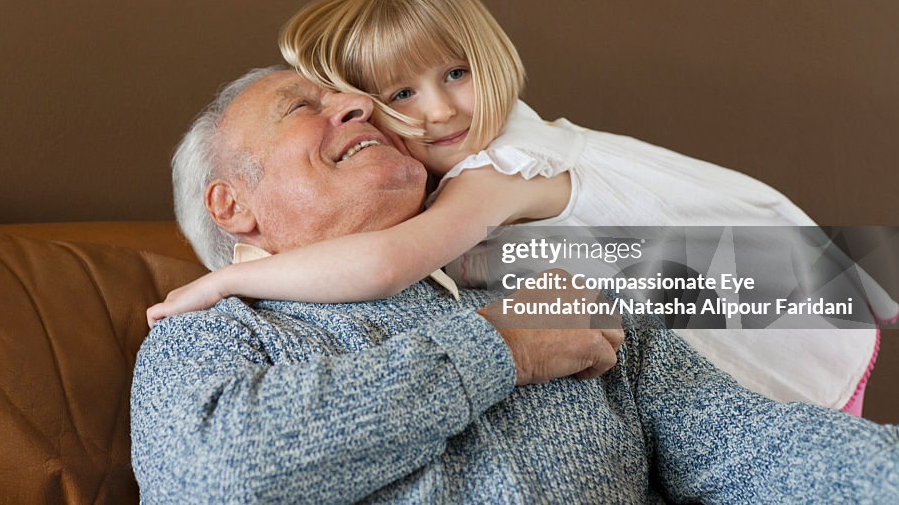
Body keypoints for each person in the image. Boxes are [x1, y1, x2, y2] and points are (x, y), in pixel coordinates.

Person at [131, 67, 898, 502]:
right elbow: (219, 478)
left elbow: (756, 451)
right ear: (232, 204)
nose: (360, 104)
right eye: (305, 107)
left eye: (352, 98)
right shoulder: (213, 333)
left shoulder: (543, 289)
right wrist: (501, 348)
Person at [146, 0, 894, 412]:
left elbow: (383, 265)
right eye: (399, 94)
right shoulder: (469, 180)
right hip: (767, 295)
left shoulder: (498, 167)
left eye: (456, 74)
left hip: (779, 301)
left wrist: (225, 283)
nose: (439, 110)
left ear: (491, 55)